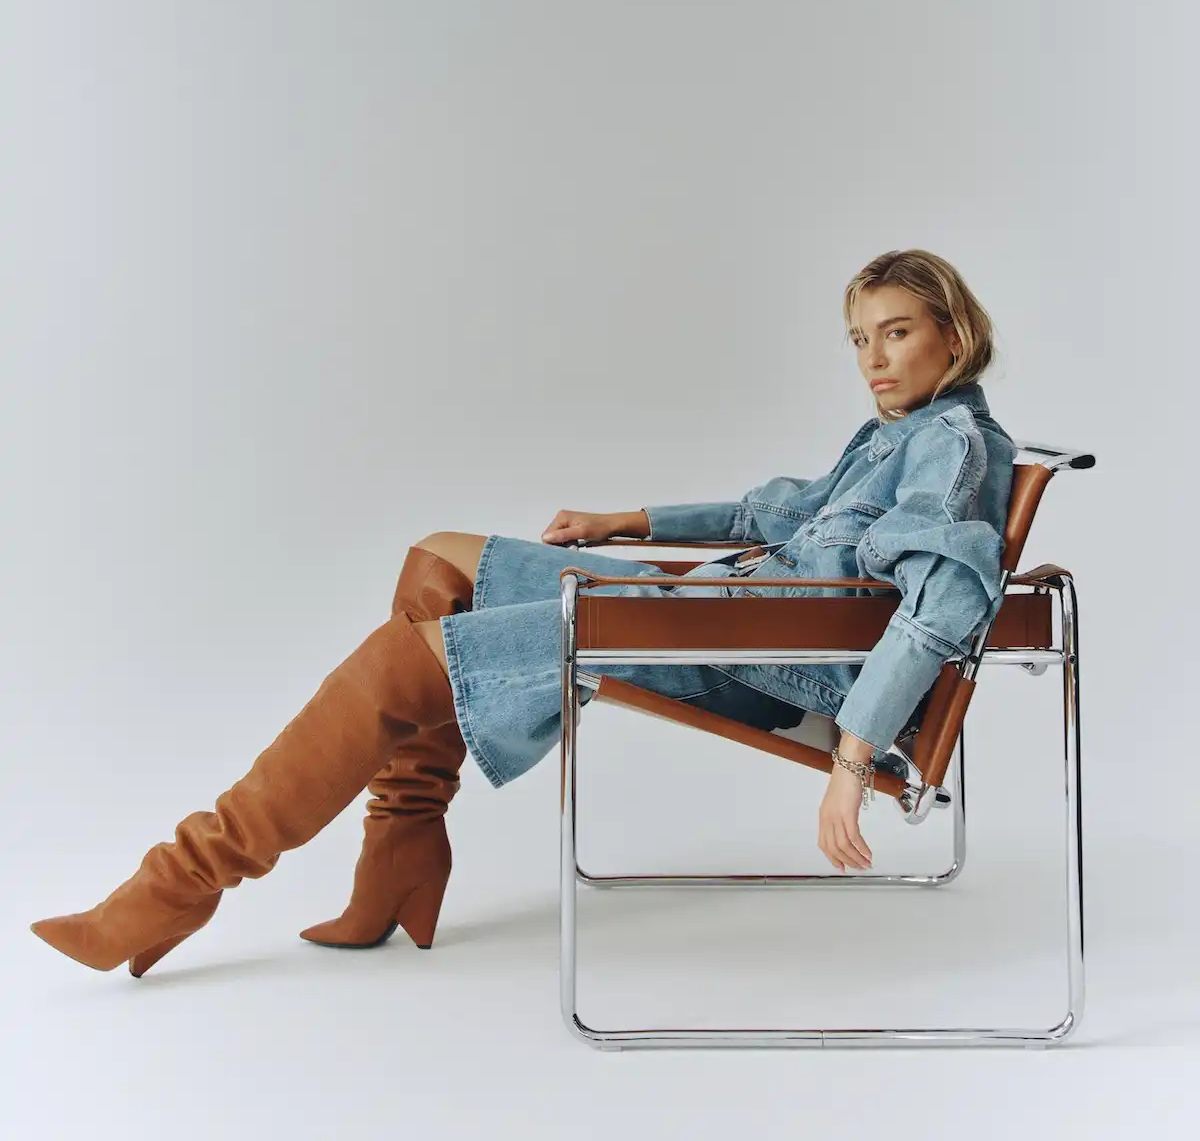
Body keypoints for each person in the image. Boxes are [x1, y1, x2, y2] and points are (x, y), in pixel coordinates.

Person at [30, 247, 1016, 977]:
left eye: (897, 332)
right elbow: (779, 514)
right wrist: (622, 522)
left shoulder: (953, 449)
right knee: (437, 558)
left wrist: (852, 762)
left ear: (953, 331)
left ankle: (179, 884)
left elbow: (938, 609)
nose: (873, 358)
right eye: (860, 338)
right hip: (713, 616)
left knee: (402, 661)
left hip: (743, 649)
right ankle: (401, 850)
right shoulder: (899, 434)